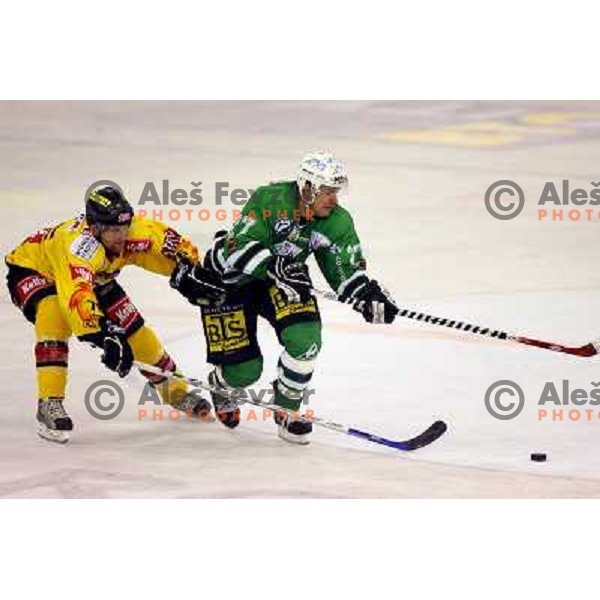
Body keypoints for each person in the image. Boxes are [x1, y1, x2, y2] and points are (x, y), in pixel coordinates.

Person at [187, 151, 399, 444]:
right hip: (230, 281)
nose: (333, 199)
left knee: (306, 340)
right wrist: (274, 264)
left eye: (335, 191)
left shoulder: (336, 221)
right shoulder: (270, 199)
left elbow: (344, 272)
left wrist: (366, 295)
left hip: (282, 281)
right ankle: (221, 384)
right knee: (245, 372)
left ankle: (287, 412)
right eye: (326, 191)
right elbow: (237, 247)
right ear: (307, 188)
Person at [5, 184, 226, 443]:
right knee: (54, 317)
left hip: (95, 275)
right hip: (35, 271)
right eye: (112, 230)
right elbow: (76, 297)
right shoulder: (78, 248)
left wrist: (186, 271)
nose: (121, 235)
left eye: (123, 227)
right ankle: (49, 402)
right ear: (95, 228)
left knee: (136, 332)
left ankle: (176, 392)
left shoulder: (129, 230)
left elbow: (169, 242)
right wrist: (102, 335)